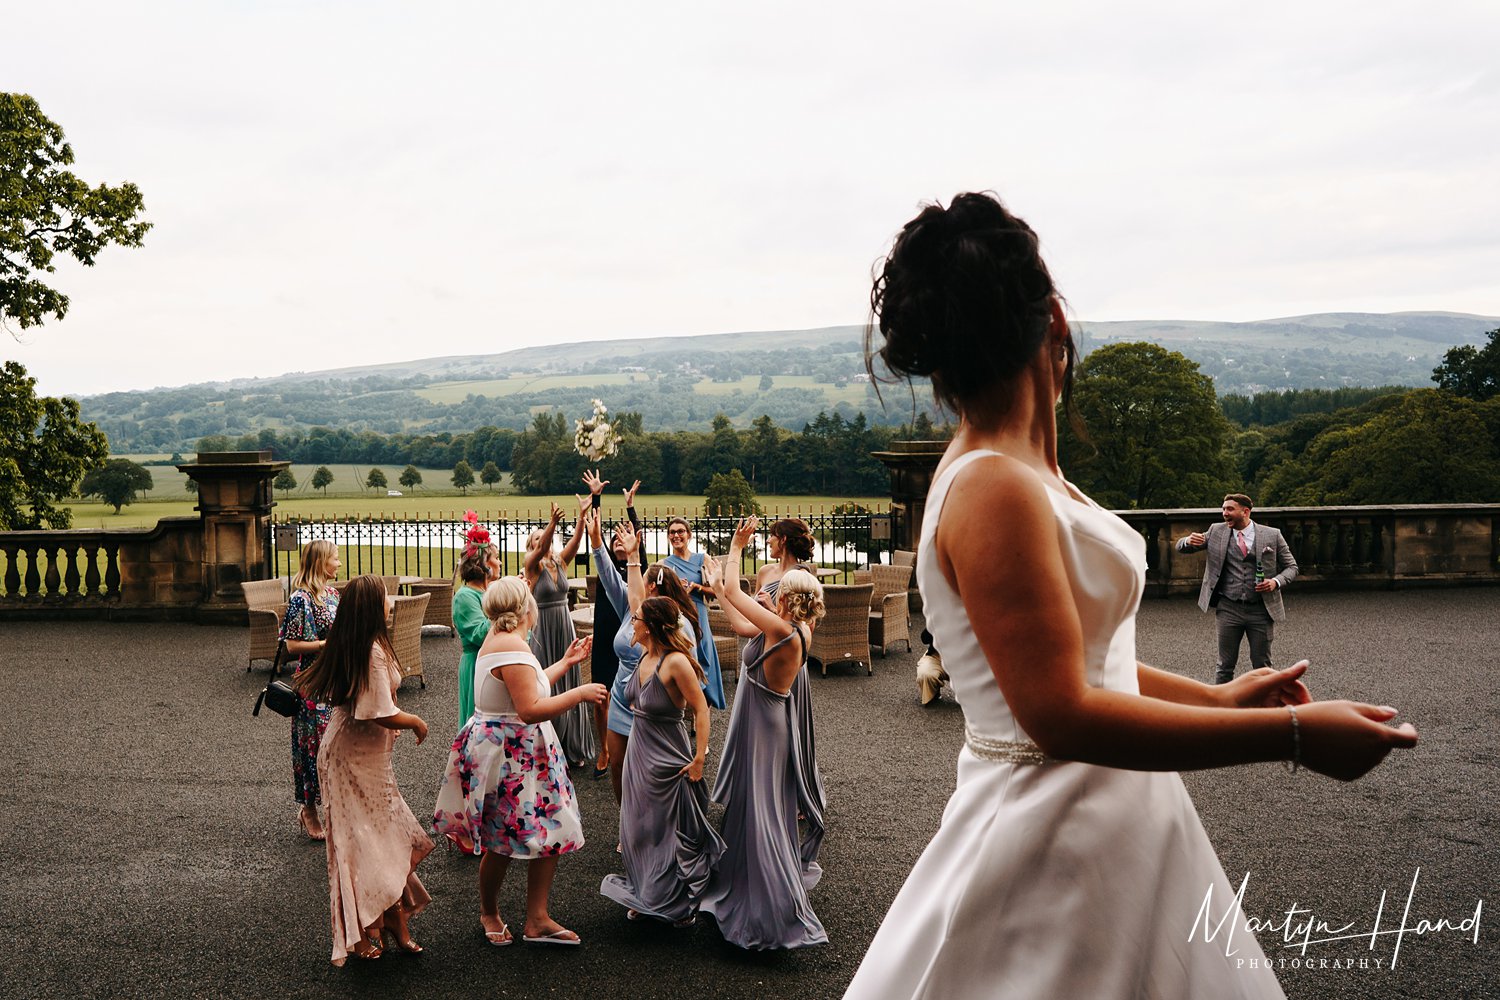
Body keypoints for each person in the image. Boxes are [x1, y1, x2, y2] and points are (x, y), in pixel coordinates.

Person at [842, 192, 1417, 999]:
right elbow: (1058, 713)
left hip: (1118, 820)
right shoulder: (994, 487)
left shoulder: (1022, 471)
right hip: (1055, 840)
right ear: (1055, 325)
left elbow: (1084, 664)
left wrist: (1224, 701)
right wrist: (1292, 736)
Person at [432, 576, 605, 947]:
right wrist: (580, 692)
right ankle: (490, 912)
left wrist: (565, 662)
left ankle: (537, 919)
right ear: (527, 606)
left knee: (550, 830)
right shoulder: (511, 644)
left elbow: (529, 685)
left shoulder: (504, 640)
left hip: (518, 751)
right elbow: (529, 709)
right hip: (513, 755)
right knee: (501, 839)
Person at [293, 575, 433, 965]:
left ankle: (392, 917)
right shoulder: (368, 649)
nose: (391, 602)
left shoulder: (366, 642)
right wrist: (415, 722)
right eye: (385, 597)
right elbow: (379, 711)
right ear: (372, 607)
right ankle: (360, 932)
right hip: (348, 760)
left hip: (367, 755)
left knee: (387, 835)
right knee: (358, 845)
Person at [699, 559, 828, 950]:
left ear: (787, 597)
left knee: (765, 810)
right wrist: (720, 591)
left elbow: (739, 595)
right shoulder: (798, 628)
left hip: (765, 723)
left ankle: (772, 906)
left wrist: (735, 551)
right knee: (759, 802)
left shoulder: (781, 628)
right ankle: (747, 877)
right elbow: (740, 624)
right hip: (771, 720)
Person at [600, 596, 723, 925]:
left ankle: (675, 901)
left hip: (668, 752)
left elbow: (701, 708)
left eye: (636, 619)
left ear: (650, 626)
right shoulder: (642, 654)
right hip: (638, 750)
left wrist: (699, 758)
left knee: (666, 828)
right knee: (637, 825)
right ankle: (647, 892)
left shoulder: (676, 663)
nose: (632, 624)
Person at [585, 513, 698, 807]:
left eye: (642, 579)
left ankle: (657, 823)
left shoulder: (678, 623)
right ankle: (627, 819)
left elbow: (691, 673)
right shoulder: (628, 605)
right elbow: (609, 574)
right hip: (622, 698)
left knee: (650, 773)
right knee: (618, 766)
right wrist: (597, 542)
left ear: (651, 588)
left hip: (653, 705)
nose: (635, 581)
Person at [1175, 494, 1299, 684]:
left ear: (1245, 511)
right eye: (1223, 509)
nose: (1225, 513)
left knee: (1263, 666)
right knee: (1224, 665)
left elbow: (1292, 567)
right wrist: (1187, 541)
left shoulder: (1272, 535)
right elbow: (1181, 548)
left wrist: (1275, 582)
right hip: (1228, 608)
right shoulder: (1216, 531)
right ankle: (1221, 710)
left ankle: (1265, 709)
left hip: (1261, 609)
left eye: (1230, 509)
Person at [582, 470, 645, 778]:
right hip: (605, 633)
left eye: (625, 539)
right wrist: (596, 497)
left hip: (627, 640)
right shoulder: (608, 567)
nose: (620, 543)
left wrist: (631, 508)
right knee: (599, 695)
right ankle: (604, 749)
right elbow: (595, 538)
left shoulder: (638, 571)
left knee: (624, 695)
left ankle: (628, 745)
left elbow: (638, 542)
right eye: (616, 540)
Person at [280, 539, 341, 841]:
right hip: (313, 684)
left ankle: (335, 807)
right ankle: (309, 809)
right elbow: (292, 646)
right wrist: (325, 644)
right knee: (313, 747)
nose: (339, 564)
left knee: (337, 746)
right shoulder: (300, 600)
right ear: (320, 563)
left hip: (336, 680)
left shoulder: (333, 595)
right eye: (334, 559)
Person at [525, 499, 592, 767]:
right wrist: (551, 523)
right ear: (531, 546)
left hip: (564, 624)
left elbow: (575, 542)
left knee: (570, 681)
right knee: (546, 682)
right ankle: (546, 748)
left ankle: (572, 745)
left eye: (547, 538)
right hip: (543, 627)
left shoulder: (560, 563)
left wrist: (582, 517)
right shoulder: (532, 565)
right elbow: (542, 547)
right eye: (538, 540)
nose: (545, 542)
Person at [660, 516, 727, 709]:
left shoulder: (702, 559)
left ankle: (704, 709)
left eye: (680, 531)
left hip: (698, 613)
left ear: (688, 535)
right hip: (678, 617)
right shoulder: (665, 564)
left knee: (703, 654)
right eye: (672, 532)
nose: (676, 535)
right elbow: (658, 594)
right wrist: (675, 589)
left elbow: (716, 590)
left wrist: (696, 587)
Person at [453, 511, 501, 729]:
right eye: (496, 558)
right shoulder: (465, 597)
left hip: (496, 662)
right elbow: (481, 633)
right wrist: (507, 604)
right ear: (485, 565)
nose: (500, 562)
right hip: (477, 664)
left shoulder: (490, 591)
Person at [753, 517, 816, 606]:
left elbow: (808, 619)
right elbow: (753, 607)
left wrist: (772, 609)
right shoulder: (765, 571)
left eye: (771, 536)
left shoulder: (801, 578)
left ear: (783, 539)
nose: (768, 541)